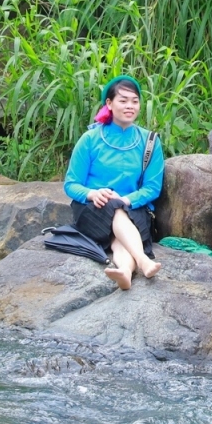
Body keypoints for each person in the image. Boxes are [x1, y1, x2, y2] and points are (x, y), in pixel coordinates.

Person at [64, 75, 164, 290]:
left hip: (133, 208)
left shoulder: (150, 142)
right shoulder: (90, 139)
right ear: (109, 104)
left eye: (135, 101)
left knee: (118, 226)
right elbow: (71, 184)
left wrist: (126, 199)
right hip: (92, 208)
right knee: (113, 207)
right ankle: (143, 260)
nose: (130, 106)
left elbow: (152, 188)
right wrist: (92, 194)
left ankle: (126, 272)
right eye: (123, 100)